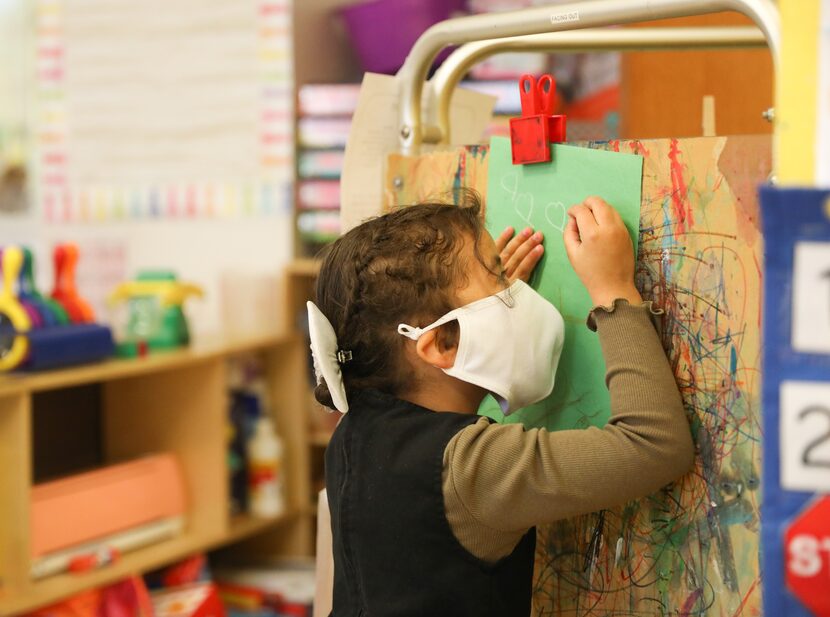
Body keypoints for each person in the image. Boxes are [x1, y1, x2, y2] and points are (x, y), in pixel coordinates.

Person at [307, 194, 694, 617]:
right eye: (499, 279)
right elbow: (655, 444)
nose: (514, 288)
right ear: (443, 342)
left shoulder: (352, 435)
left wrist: (491, 312)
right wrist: (614, 289)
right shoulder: (473, 468)